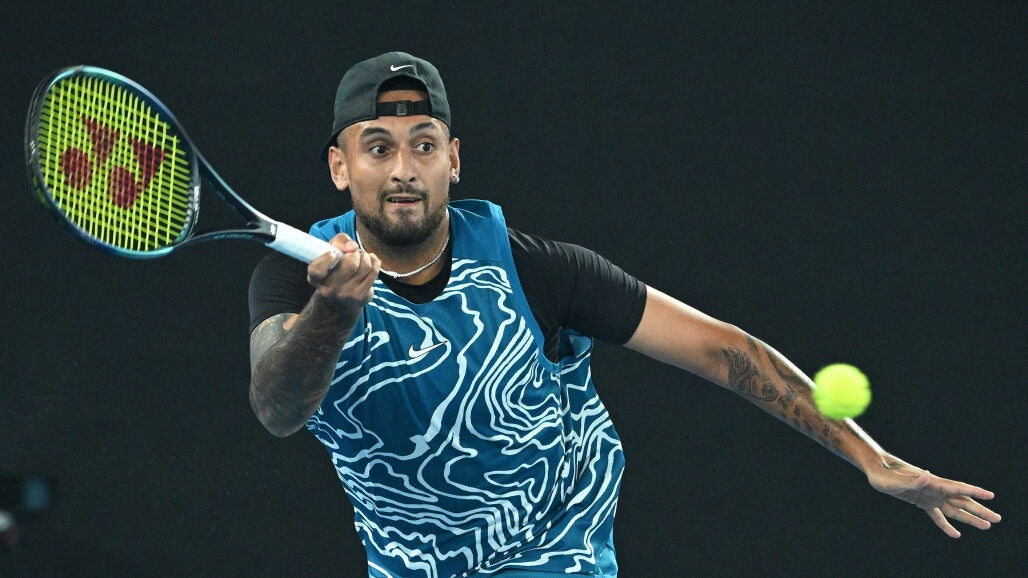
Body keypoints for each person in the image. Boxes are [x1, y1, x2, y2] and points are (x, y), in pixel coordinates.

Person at [247, 52, 1001, 578]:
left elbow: (725, 351)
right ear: (341, 166)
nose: (404, 169)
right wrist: (332, 313)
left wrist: (873, 459)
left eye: (424, 145)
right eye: (378, 148)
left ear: (454, 159)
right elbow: (278, 408)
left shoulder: (541, 271)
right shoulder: (293, 279)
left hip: (555, 554)